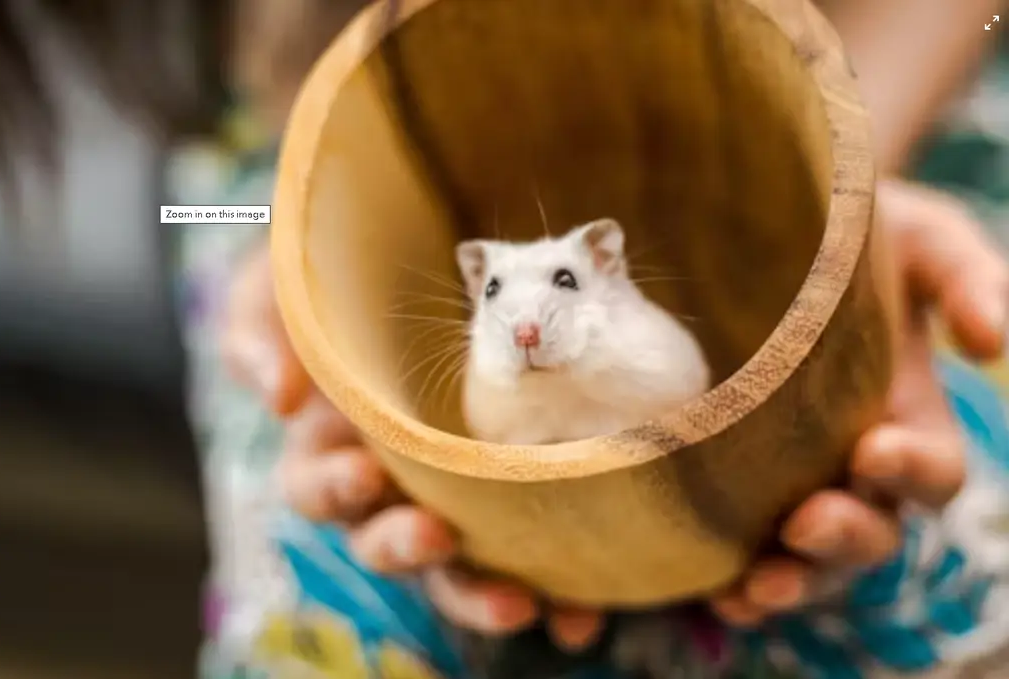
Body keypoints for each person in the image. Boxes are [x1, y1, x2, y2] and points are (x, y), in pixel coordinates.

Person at [219, 2, 1009, 677]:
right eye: (496, 295)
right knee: (308, 613)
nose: (527, 326)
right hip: (271, 124)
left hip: (894, 57)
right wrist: (287, 237)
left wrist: (857, 179)